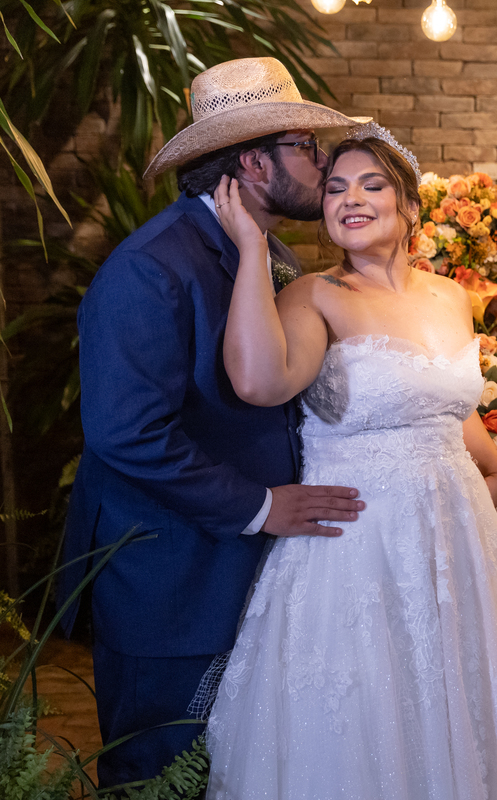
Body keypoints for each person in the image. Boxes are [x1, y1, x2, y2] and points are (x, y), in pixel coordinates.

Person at [202, 123, 497, 799]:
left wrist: (490, 478)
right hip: (355, 554)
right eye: (336, 188)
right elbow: (259, 383)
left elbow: (444, 404)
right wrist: (252, 250)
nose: (351, 198)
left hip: (447, 554)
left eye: (371, 185)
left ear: (408, 205)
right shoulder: (314, 295)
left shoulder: (450, 296)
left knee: (452, 713)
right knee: (365, 721)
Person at [58, 57, 369, 788]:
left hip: (248, 572)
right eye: (307, 147)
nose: (323, 164)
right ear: (255, 163)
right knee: (160, 777)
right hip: (172, 584)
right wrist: (260, 506)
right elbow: (126, 432)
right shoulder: (151, 267)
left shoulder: (267, 252)